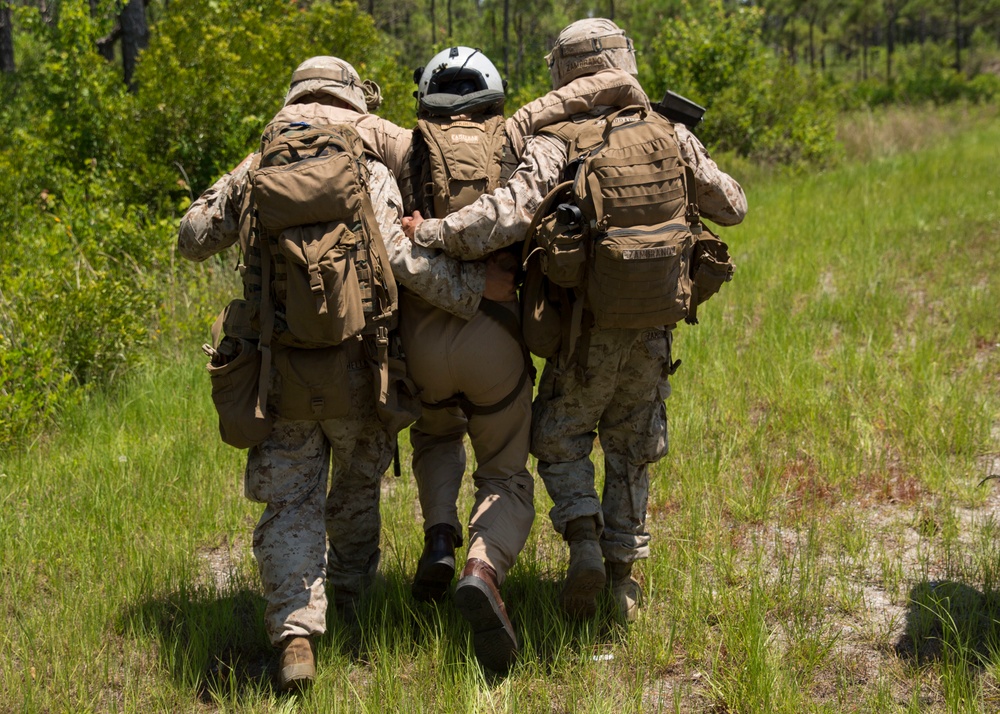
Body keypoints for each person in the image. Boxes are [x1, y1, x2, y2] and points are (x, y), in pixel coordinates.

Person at [403, 19, 748, 624]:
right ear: (625, 62)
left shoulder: (558, 138)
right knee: (633, 448)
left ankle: (582, 537)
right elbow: (733, 206)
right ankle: (623, 581)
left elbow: (503, 216)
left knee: (557, 439)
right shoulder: (668, 130)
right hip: (654, 330)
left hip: (581, 330)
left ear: (563, 72)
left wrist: (431, 233)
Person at [177, 56, 485, 692]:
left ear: (295, 94)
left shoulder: (263, 159)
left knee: (289, 500)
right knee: (355, 488)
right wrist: (474, 293)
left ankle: (295, 636)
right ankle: (348, 605)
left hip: (278, 370)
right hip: (362, 365)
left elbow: (194, 234)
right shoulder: (367, 160)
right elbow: (401, 259)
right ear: (353, 96)